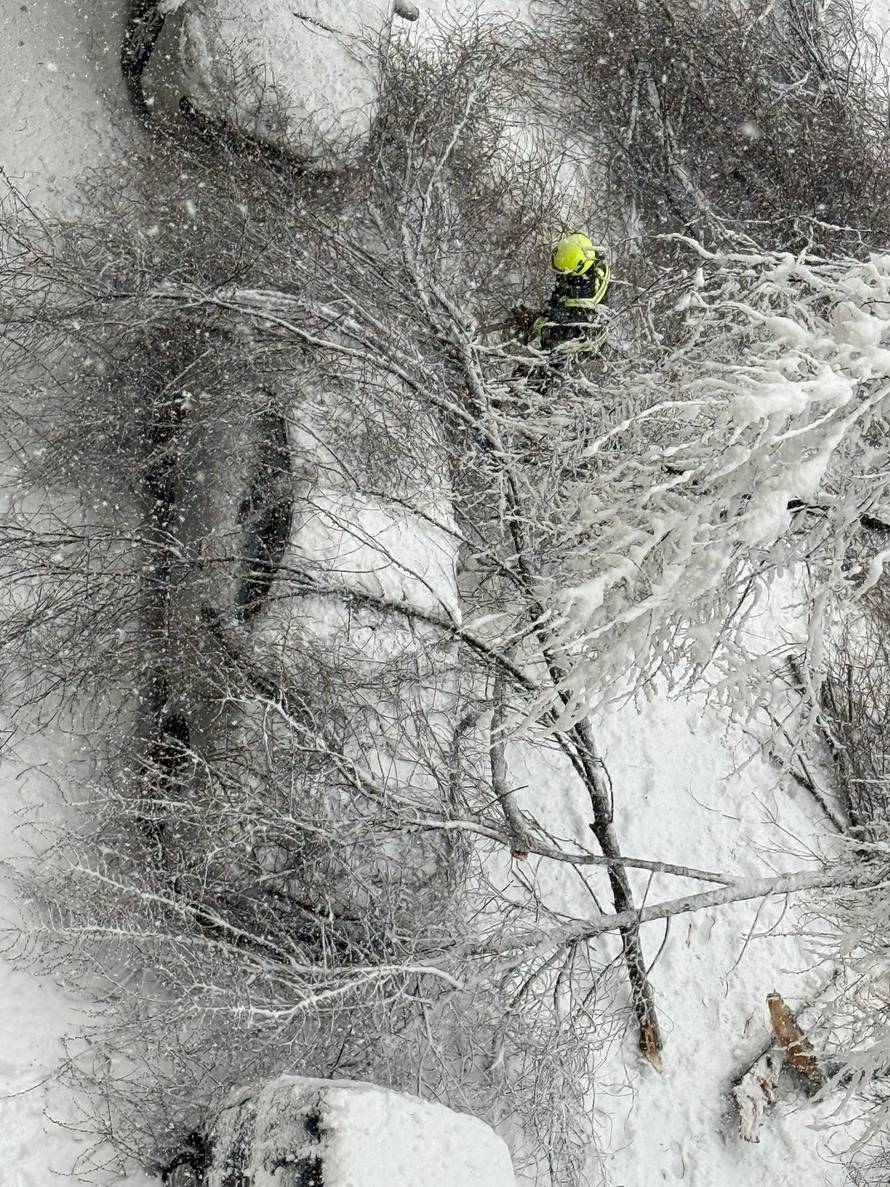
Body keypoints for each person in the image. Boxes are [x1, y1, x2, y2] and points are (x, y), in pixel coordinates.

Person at [531, 233, 611, 356]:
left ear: (577, 269)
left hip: (577, 346)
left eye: (563, 271)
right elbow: (559, 294)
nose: (560, 274)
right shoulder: (582, 260)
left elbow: (563, 329)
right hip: (572, 323)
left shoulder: (585, 294)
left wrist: (541, 325)